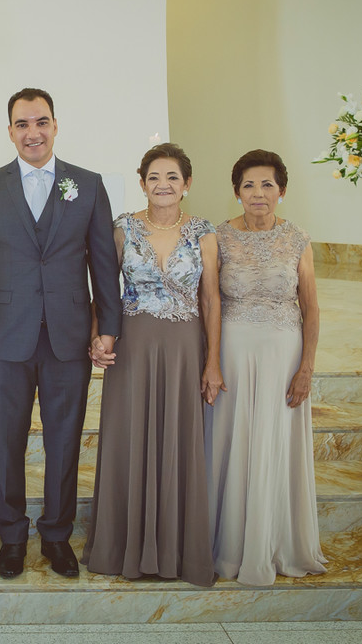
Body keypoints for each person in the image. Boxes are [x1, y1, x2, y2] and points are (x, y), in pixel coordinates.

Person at [0, 88, 122, 580]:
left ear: (55, 126)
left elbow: (104, 265)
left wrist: (107, 327)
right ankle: (11, 535)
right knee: (6, 439)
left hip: (69, 335)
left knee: (64, 440)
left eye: (41, 122)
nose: (33, 132)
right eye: (23, 124)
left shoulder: (86, 185)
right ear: (10, 131)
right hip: (5, 336)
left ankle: (56, 535)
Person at [82, 142, 221, 588]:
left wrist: (212, 362)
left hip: (184, 348)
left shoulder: (204, 232)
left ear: (187, 184)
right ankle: (122, 545)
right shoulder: (122, 227)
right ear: (142, 183)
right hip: (133, 346)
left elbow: (211, 300)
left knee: (179, 439)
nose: (163, 185)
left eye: (172, 178)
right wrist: (95, 337)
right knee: (129, 437)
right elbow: (103, 288)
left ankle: (177, 548)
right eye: (154, 178)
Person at [206, 149, 327, 585]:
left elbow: (311, 308)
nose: (259, 193)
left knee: (275, 442)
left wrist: (307, 367)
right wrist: (211, 362)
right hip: (233, 354)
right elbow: (209, 302)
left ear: (283, 191)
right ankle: (230, 544)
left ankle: (273, 543)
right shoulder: (218, 237)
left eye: (268, 185)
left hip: (284, 356)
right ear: (236, 192)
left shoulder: (297, 239)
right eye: (249, 185)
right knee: (230, 441)